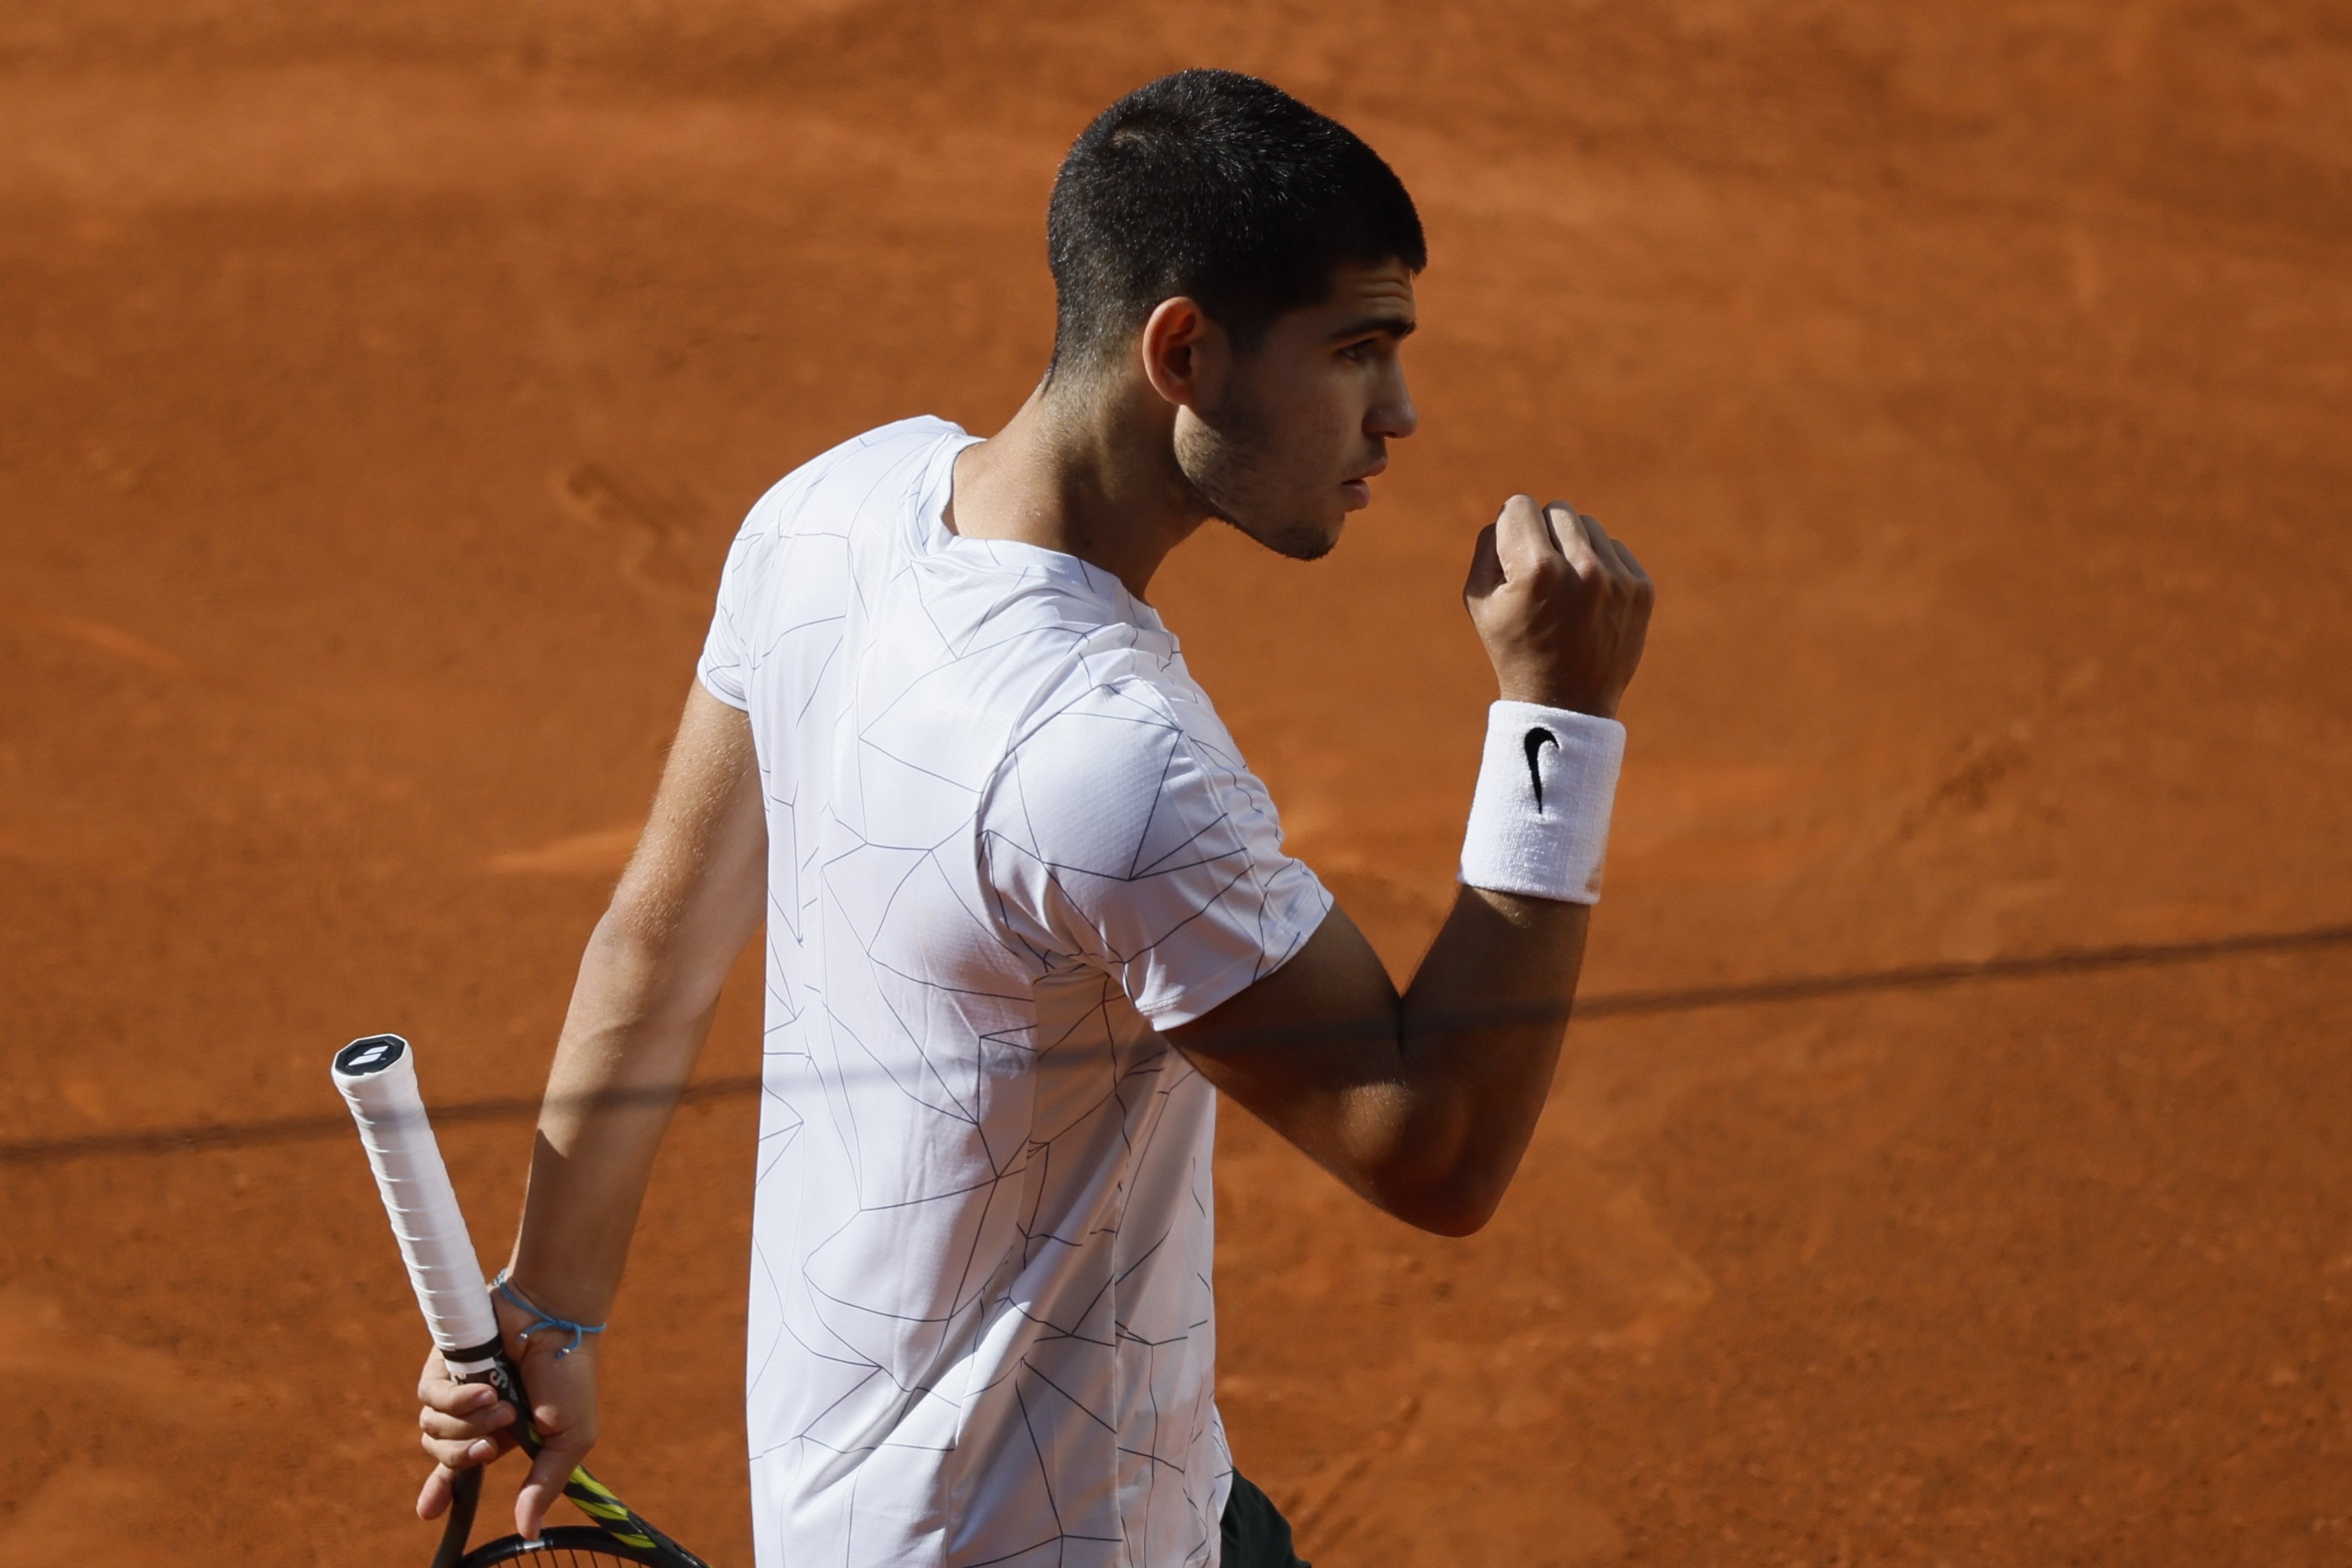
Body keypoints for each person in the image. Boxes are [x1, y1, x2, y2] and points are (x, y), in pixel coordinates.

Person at [412, 67, 1652, 1568]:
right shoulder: (1109, 758)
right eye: (1354, 350)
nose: (1397, 413)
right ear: (1182, 351)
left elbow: (655, 945)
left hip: (888, 1515)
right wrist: (1557, 723)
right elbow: (1432, 1148)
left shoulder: (829, 510)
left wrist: (545, 1305)